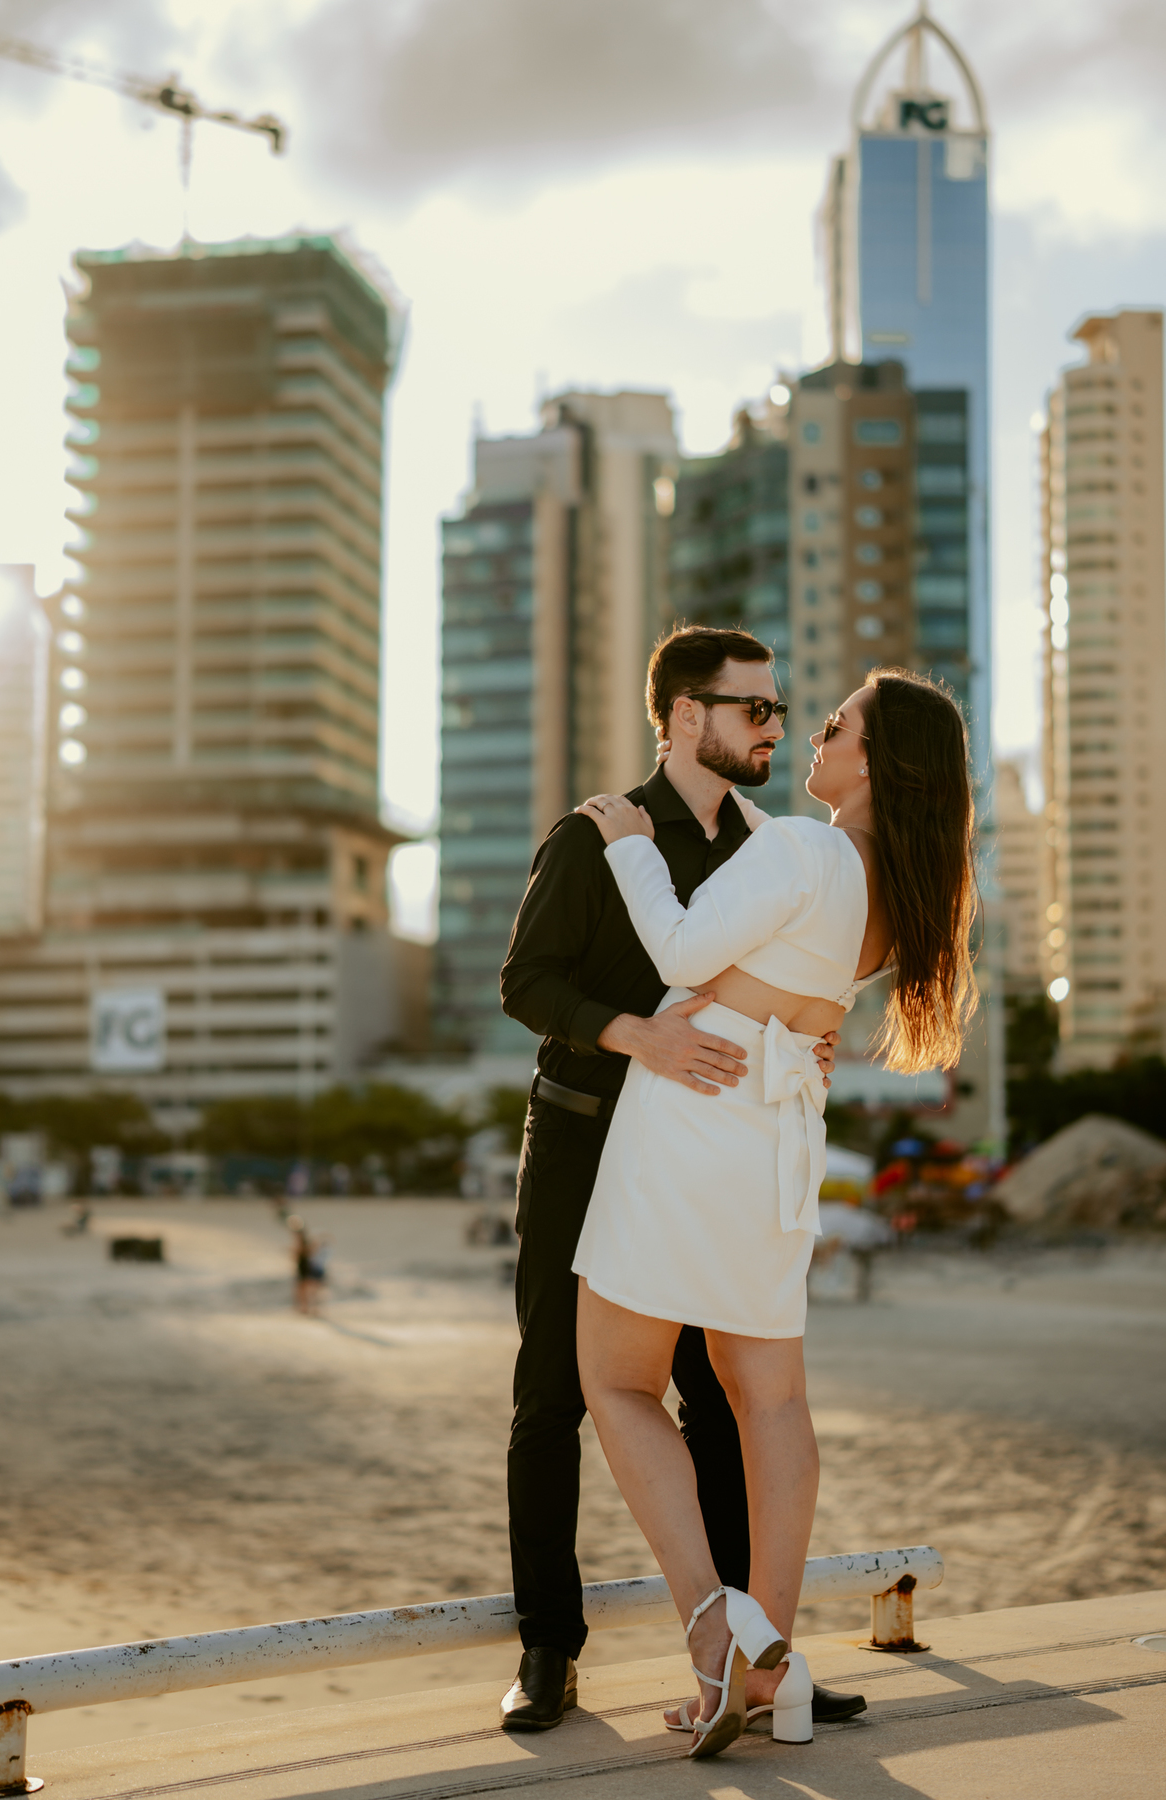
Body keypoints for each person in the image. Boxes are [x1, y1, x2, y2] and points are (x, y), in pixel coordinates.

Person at [572, 668, 978, 1757]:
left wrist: (626, 840)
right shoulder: (896, 893)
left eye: (837, 723)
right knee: (773, 1401)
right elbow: (793, 963)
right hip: (778, 1134)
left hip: (693, 1113)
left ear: (873, 763)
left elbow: (681, 951)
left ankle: (714, 1629)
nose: (817, 731)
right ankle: (772, 1665)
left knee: (613, 1377)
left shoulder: (805, 849)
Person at [496, 626, 852, 1734]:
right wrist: (629, 1036)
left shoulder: (767, 842)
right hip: (583, 1136)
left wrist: (808, 1043)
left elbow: (783, 977)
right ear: (684, 715)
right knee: (554, 1395)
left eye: (780, 710)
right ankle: (548, 1650)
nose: (773, 728)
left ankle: (752, 1650)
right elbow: (525, 982)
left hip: (704, 1158)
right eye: (753, 709)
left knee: (722, 1398)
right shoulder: (598, 832)